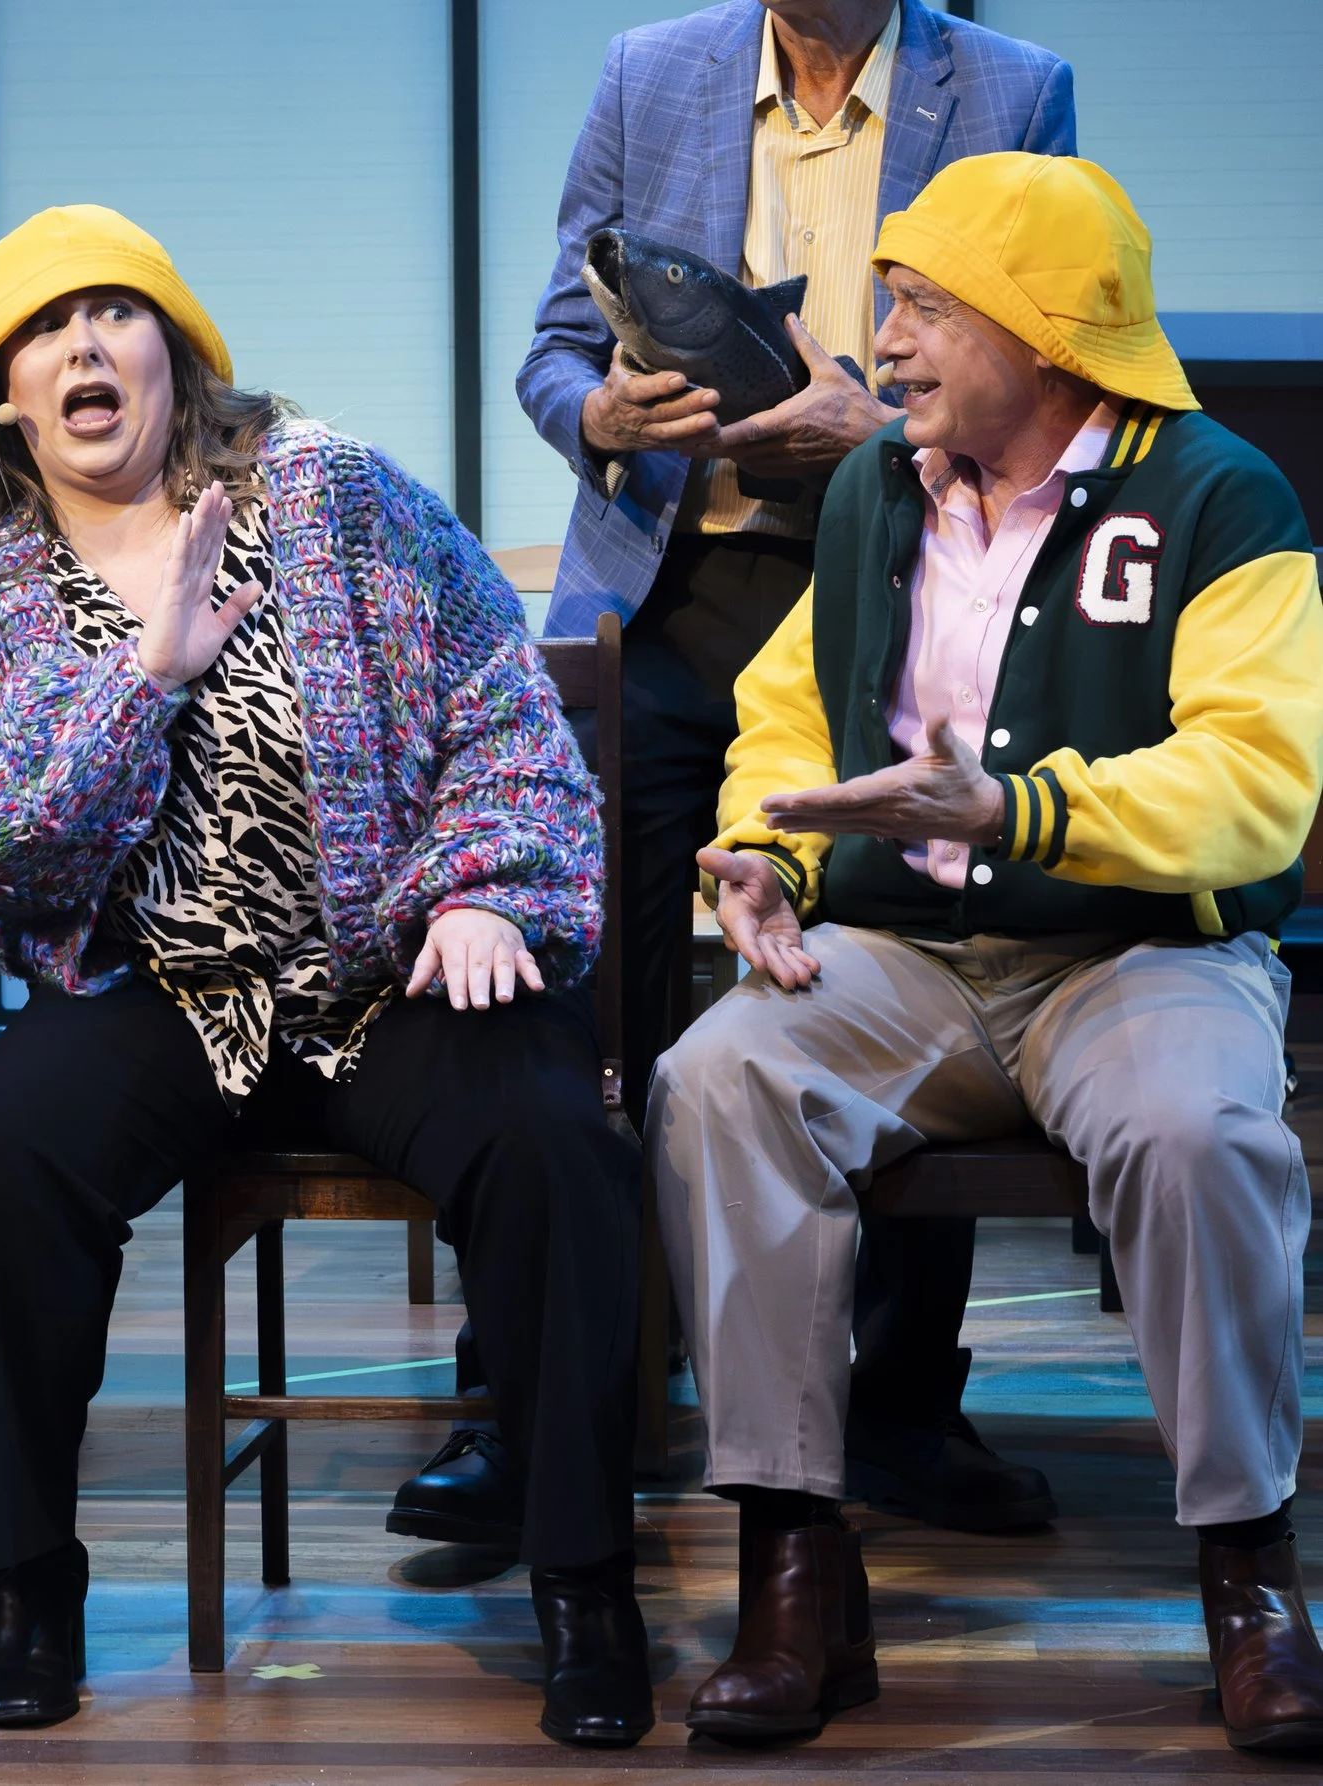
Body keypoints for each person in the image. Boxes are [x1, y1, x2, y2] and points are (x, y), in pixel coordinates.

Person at [0, 204, 650, 1746]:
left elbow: (507, 708)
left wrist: (487, 892)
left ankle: (584, 1576)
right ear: (4, 398)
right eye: (46, 328)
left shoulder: (333, 494)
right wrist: (141, 682)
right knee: (1, 1158)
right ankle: (30, 1578)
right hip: (157, 991)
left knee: (558, 1140)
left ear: (173, 351)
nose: (85, 344)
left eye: (115, 312)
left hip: (387, 964)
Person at [653, 153, 1323, 1749]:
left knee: (1202, 1129)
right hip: (911, 957)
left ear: (1043, 328)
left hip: (1136, 954)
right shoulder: (880, 486)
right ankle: (796, 1571)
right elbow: (798, 716)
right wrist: (762, 851)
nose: (884, 340)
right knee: (719, 1074)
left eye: (922, 304)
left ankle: (1248, 1574)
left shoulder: (1220, 494)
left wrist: (1023, 809)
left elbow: (1258, 783)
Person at [402, 0, 1079, 1555]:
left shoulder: (1014, 89)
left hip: (908, 585)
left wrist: (874, 443)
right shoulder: (655, 73)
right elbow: (558, 341)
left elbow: (1047, 368)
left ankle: (902, 1400)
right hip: (664, 593)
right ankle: (535, 1392)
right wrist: (597, 412)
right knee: (565, 965)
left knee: (917, 942)